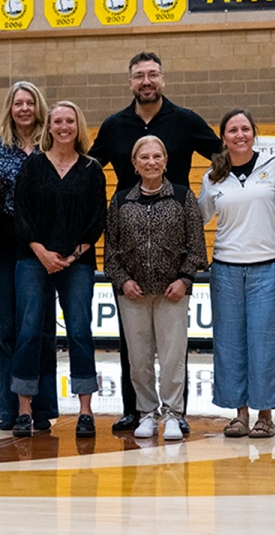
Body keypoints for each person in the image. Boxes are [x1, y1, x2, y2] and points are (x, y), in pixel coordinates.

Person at [88, 51, 220, 433]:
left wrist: (223, 191)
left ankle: (175, 413)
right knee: (135, 346)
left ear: (162, 79)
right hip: (129, 233)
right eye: (139, 76)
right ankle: (138, 411)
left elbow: (223, 156)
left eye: (152, 75)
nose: (146, 81)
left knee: (175, 347)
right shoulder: (114, 126)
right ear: (130, 82)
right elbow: (88, 168)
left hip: (173, 237)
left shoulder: (185, 120)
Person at [11, 101, 106, 438]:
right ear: (48, 127)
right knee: (30, 330)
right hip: (32, 259)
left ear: (77, 126)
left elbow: (97, 218)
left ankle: (85, 410)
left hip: (77, 263)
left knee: (79, 330)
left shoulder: (91, 168)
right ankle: (25, 410)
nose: (64, 127)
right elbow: (20, 213)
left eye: (70, 121)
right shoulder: (33, 166)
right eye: (58, 121)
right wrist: (42, 252)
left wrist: (73, 253)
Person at [104, 135, 207, 441]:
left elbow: (197, 246)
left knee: (173, 356)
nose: (151, 162)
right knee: (139, 357)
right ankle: (147, 413)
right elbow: (110, 250)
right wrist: (123, 280)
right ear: (135, 164)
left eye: (156, 156)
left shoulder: (182, 197)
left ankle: (174, 414)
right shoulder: (121, 200)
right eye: (144, 157)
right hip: (132, 293)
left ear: (165, 160)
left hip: (171, 292)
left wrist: (185, 278)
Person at [198, 109, 275, 439]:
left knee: (264, 343)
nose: (240, 135)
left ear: (254, 133)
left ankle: (265, 415)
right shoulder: (213, 177)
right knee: (230, 344)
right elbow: (198, 218)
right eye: (232, 130)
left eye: (245, 129)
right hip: (226, 270)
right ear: (223, 137)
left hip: (269, 268)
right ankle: (240, 415)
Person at [0, 81, 60, 432]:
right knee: (6, 330)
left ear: (39, 106)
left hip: (40, 248)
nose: (25, 108)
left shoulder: (52, 146)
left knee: (40, 328)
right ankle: (10, 408)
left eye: (31, 102)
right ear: (9, 109)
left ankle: (41, 408)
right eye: (18, 103)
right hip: (2, 246)